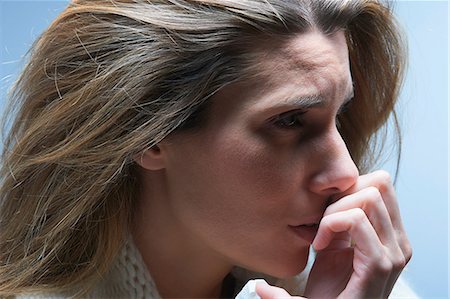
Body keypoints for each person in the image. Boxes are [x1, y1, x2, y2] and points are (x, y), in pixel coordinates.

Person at [0, 0, 418, 298]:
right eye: (289, 121)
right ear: (148, 129)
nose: (346, 172)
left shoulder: (359, 281)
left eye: (338, 116)